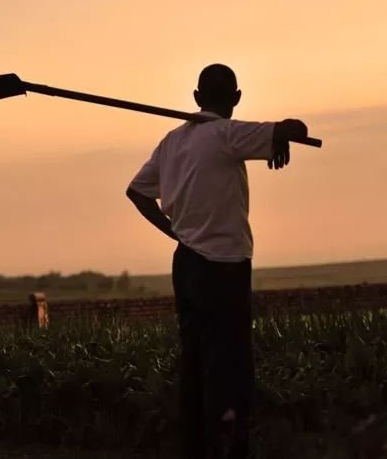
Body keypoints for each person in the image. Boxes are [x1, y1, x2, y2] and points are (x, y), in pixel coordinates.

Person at [125, 64, 309, 459]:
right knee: (229, 367)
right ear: (237, 98)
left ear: (195, 97)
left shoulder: (172, 142)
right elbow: (297, 127)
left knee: (195, 360)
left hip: (186, 263)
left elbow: (137, 191)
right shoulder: (228, 134)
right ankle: (229, 450)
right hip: (225, 267)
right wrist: (281, 138)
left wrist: (173, 230)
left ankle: (196, 447)